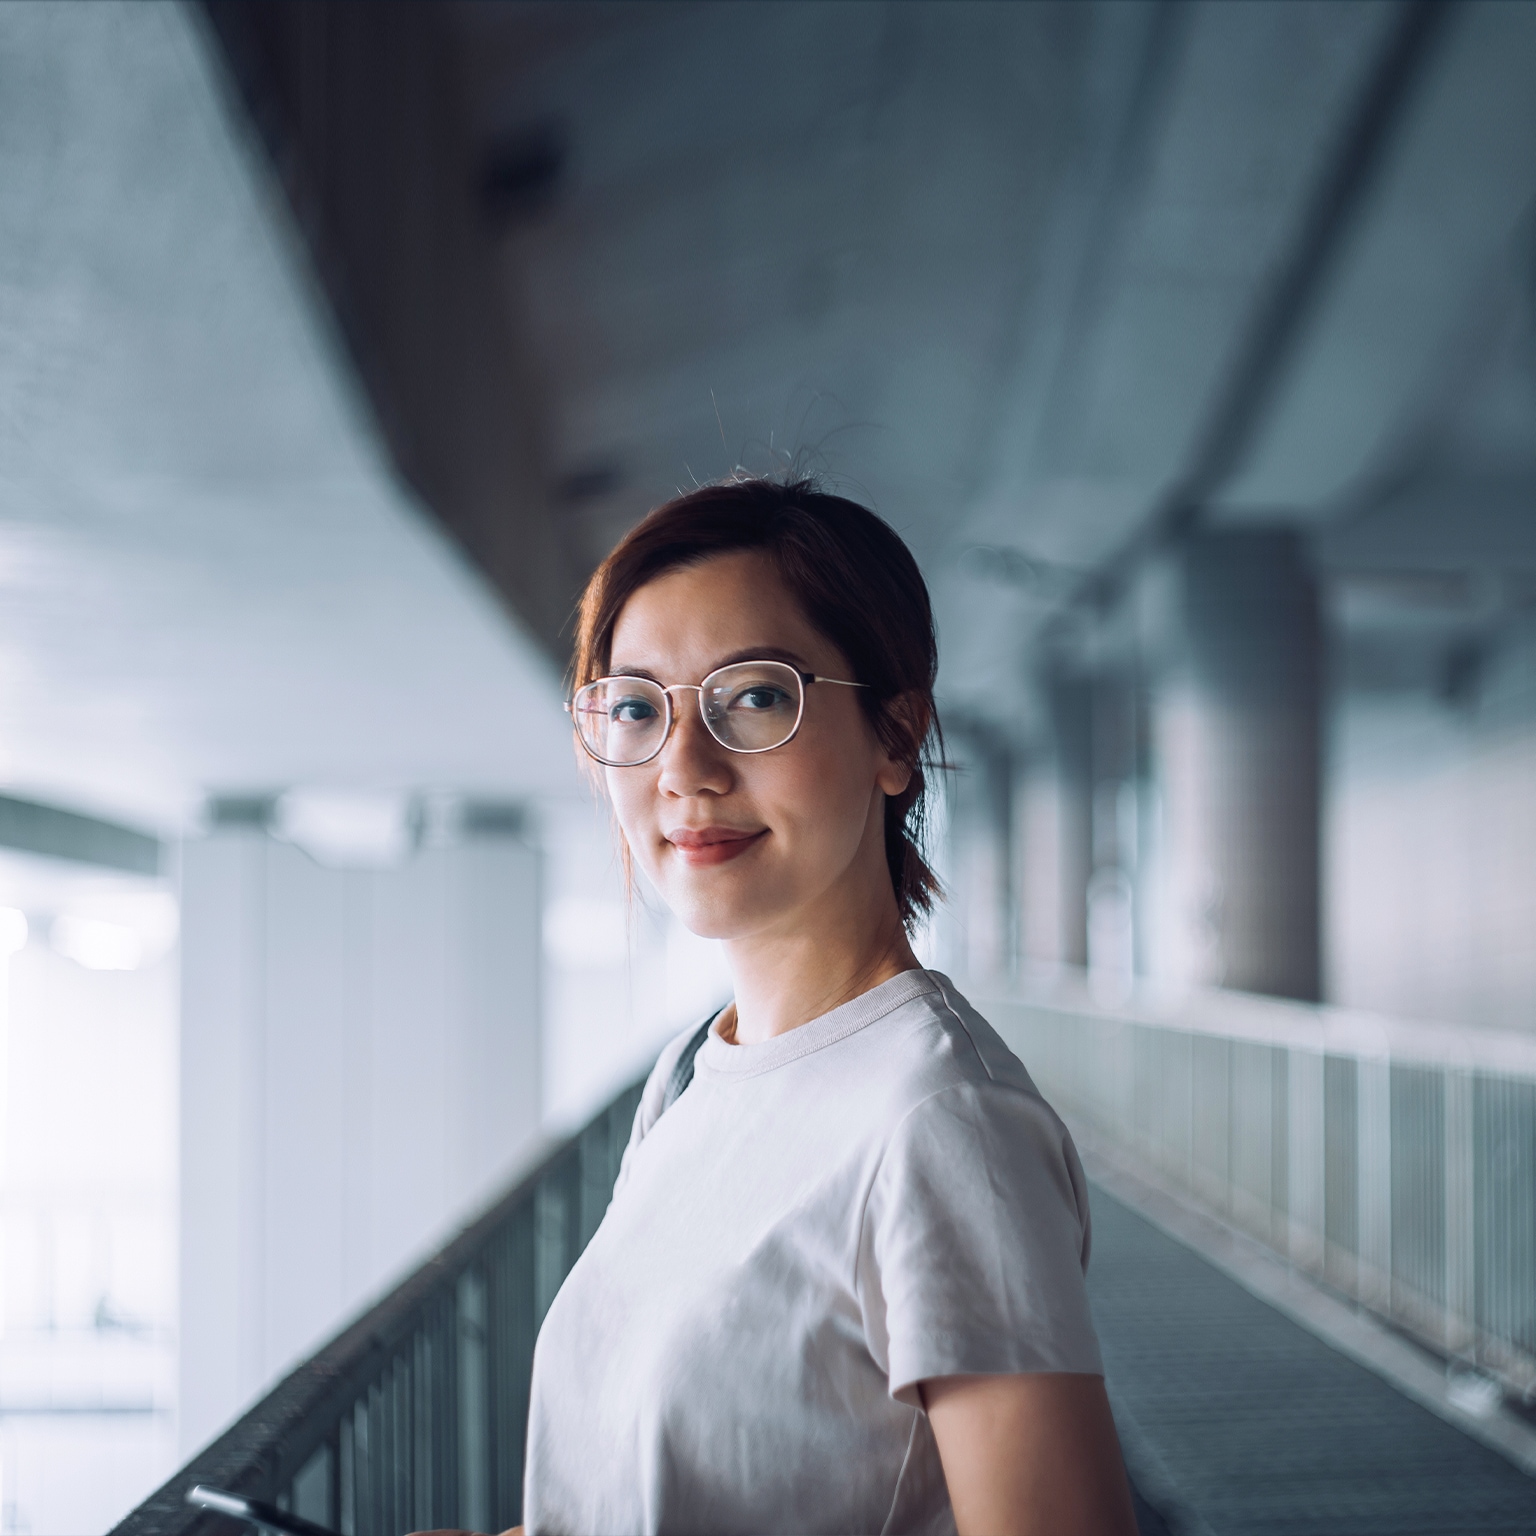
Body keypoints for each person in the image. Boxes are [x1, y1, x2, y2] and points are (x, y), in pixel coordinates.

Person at [523, 477, 1135, 1535]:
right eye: (636, 707)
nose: (684, 769)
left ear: (895, 737)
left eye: (754, 697)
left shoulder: (941, 1123)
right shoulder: (688, 1079)